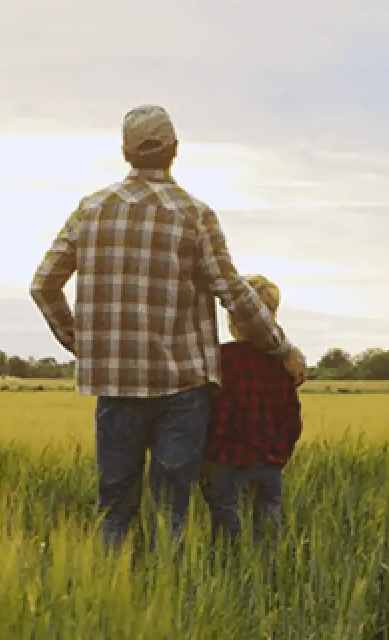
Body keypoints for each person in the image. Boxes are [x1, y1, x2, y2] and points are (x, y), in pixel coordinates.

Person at [30, 105, 307, 550]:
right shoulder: (195, 215)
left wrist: (83, 346)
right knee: (169, 510)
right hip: (183, 391)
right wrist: (281, 348)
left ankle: (114, 599)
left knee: (115, 508)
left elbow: (44, 286)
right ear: (176, 150)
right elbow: (234, 293)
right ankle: (168, 598)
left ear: (124, 151)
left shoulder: (90, 210)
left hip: (115, 385)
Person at [201, 274, 301, 543]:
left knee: (226, 536)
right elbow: (291, 421)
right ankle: (269, 583)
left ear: (232, 318)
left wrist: (208, 459)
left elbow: (217, 415)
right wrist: (278, 456)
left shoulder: (222, 359)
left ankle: (230, 580)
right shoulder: (284, 365)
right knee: (268, 536)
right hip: (269, 465)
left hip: (226, 463)